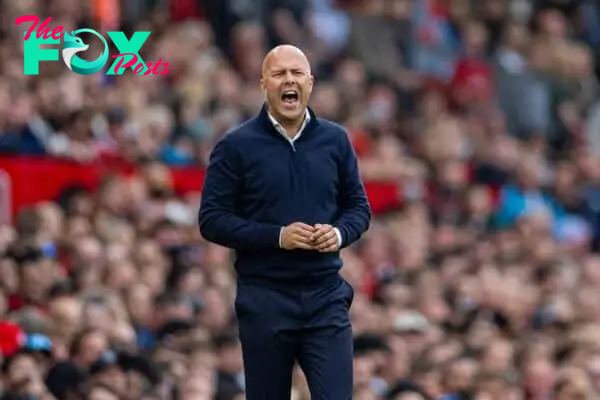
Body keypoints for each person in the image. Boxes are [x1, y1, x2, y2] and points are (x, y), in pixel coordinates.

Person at [198, 44, 371, 399]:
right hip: (265, 298)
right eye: (279, 74)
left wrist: (338, 234)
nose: (288, 80)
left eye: (296, 73)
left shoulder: (335, 140)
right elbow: (212, 220)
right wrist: (278, 237)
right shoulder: (235, 145)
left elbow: (358, 208)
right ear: (263, 84)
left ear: (311, 82)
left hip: (325, 294)